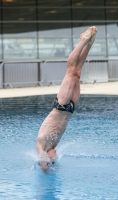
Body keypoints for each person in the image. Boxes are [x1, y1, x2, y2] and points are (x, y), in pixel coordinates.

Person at [36, 26, 97, 171]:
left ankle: (83, 41)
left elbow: (42, 163)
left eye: (54, 158)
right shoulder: (53, 145)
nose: (56, 155)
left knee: (70, 70)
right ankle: (90, 44)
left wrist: (45, 167)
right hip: (71, 108)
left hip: (61, 105)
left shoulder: (41, 145)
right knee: (77, 73)